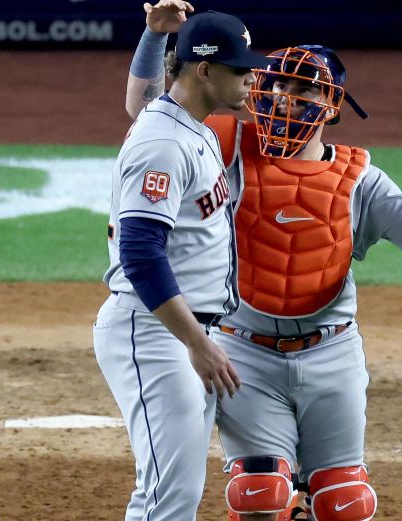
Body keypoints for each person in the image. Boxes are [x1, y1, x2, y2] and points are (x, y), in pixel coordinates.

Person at [125, 4, 402, 521]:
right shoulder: (225, 145)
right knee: (259, 494)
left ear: (332, 106)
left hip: (332, 352)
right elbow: (151, 108)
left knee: (344, 501)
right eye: (278, 85)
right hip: (243, 353)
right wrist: (152, 37)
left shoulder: (357, 177)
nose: (285, 97)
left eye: (303, 90)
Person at [93, 6, 272, 521]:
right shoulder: (164, 144)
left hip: (180, 329)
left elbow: (142, 100)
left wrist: (152, 35)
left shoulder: (181, 120)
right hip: (158, 331)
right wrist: (197, 343)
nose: (250, 79)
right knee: (166, 499)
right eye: (240, 70)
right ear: (204, 70)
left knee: (173, 494)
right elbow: (141, 254)